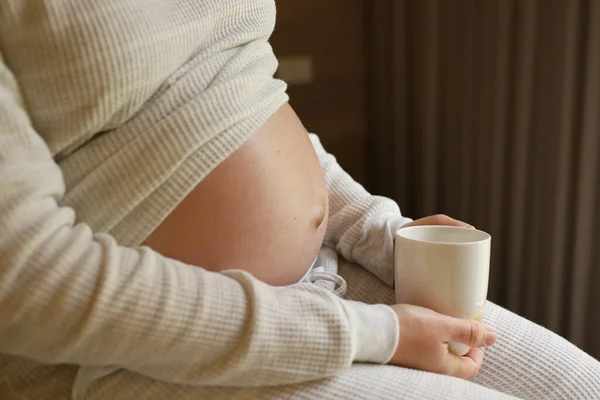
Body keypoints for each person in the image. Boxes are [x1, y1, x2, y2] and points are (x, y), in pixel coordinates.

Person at [0, 1, 598, 399]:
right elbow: (28, 280)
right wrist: (371, 333)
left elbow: (240, 98)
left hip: (329, 282)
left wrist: (378, 232)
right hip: (140, 349)